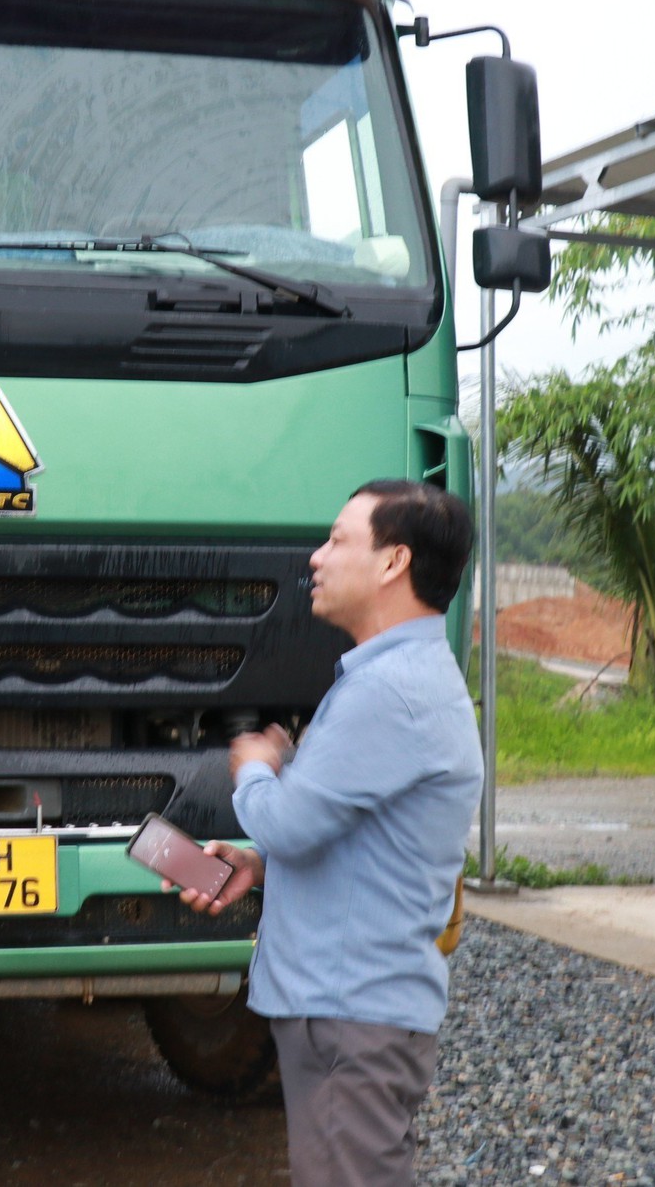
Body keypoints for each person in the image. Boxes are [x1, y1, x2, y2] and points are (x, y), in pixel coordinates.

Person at [175, 480, 482, 1187]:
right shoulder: (403, 678)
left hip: (351, 1014)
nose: (316, 557)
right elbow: (351, 832)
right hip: (356, 1010)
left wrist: (255, 768)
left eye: (338, 540)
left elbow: (287, 820)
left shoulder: (386, 690)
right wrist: (258, 864)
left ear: (393, 562)